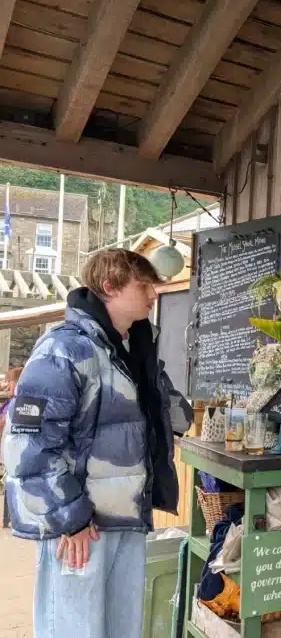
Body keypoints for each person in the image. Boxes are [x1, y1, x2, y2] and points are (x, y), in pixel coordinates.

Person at [1, 248, 192, 638]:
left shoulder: (135, 352)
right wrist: (71, 519)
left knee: (121, 630)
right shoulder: (64, 349)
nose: (154, 296)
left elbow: (179, 418)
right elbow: (27, 446)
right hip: (82, 528)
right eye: (145, 286)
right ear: (109, 286)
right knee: (74, 630)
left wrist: (152, 376)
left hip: (128, 518)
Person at [0, 366, 24, 529]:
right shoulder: (10, 402)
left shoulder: (19, 403)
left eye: (10, 381)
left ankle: (15, 518)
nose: (7, 385)